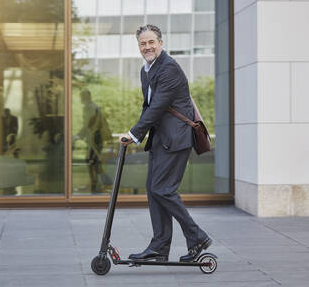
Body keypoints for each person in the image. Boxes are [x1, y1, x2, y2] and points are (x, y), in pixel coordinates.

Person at [120, 24, 212, 262]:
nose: (147, 47)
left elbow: (159, 106)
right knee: (154, 189)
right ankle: (160, 246)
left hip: (176, 139)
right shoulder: (147, 69)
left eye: (152, 42)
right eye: (143, 43)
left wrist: (134, 133)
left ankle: (197, 236)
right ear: (139, 46)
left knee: (163, 189)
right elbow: (148, 107)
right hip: (161, 139)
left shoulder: (169, 68)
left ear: (161, 43)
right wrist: (134, 134)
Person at [76, 89, 112, 193]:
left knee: (92, 162)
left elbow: (88, 125)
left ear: (86, 97)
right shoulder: (93, 107)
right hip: (95, 138)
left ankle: (97, 185)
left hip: (94, 139)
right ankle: (97, 184)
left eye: (82, 96)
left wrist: (78, 136)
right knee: (94, 162)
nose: (81, 98)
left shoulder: (89, 108)